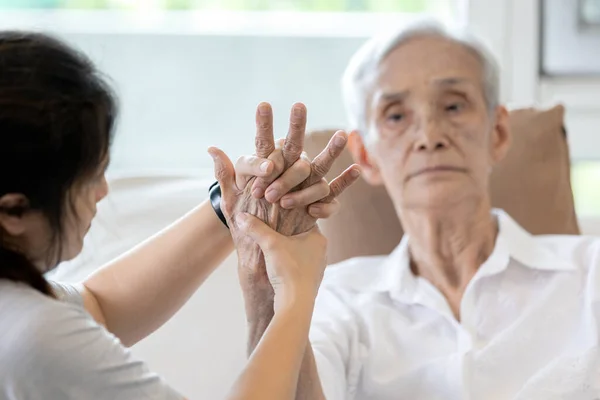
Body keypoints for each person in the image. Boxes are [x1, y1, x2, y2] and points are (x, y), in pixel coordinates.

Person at [237, 21, 600, 400]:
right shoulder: (335, 299)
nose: (429, 136)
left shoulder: (592, 276)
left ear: (498, 133)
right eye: (396, 116)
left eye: (454, 106)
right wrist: (267, 290)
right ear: (366, 155)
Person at [0, 31, 360, 399]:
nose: (103, 192)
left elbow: (97, 307)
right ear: (13, 211)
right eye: (89, 179)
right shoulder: (34, 339)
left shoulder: (23, 313)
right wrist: (297, 292)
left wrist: (233, 204)